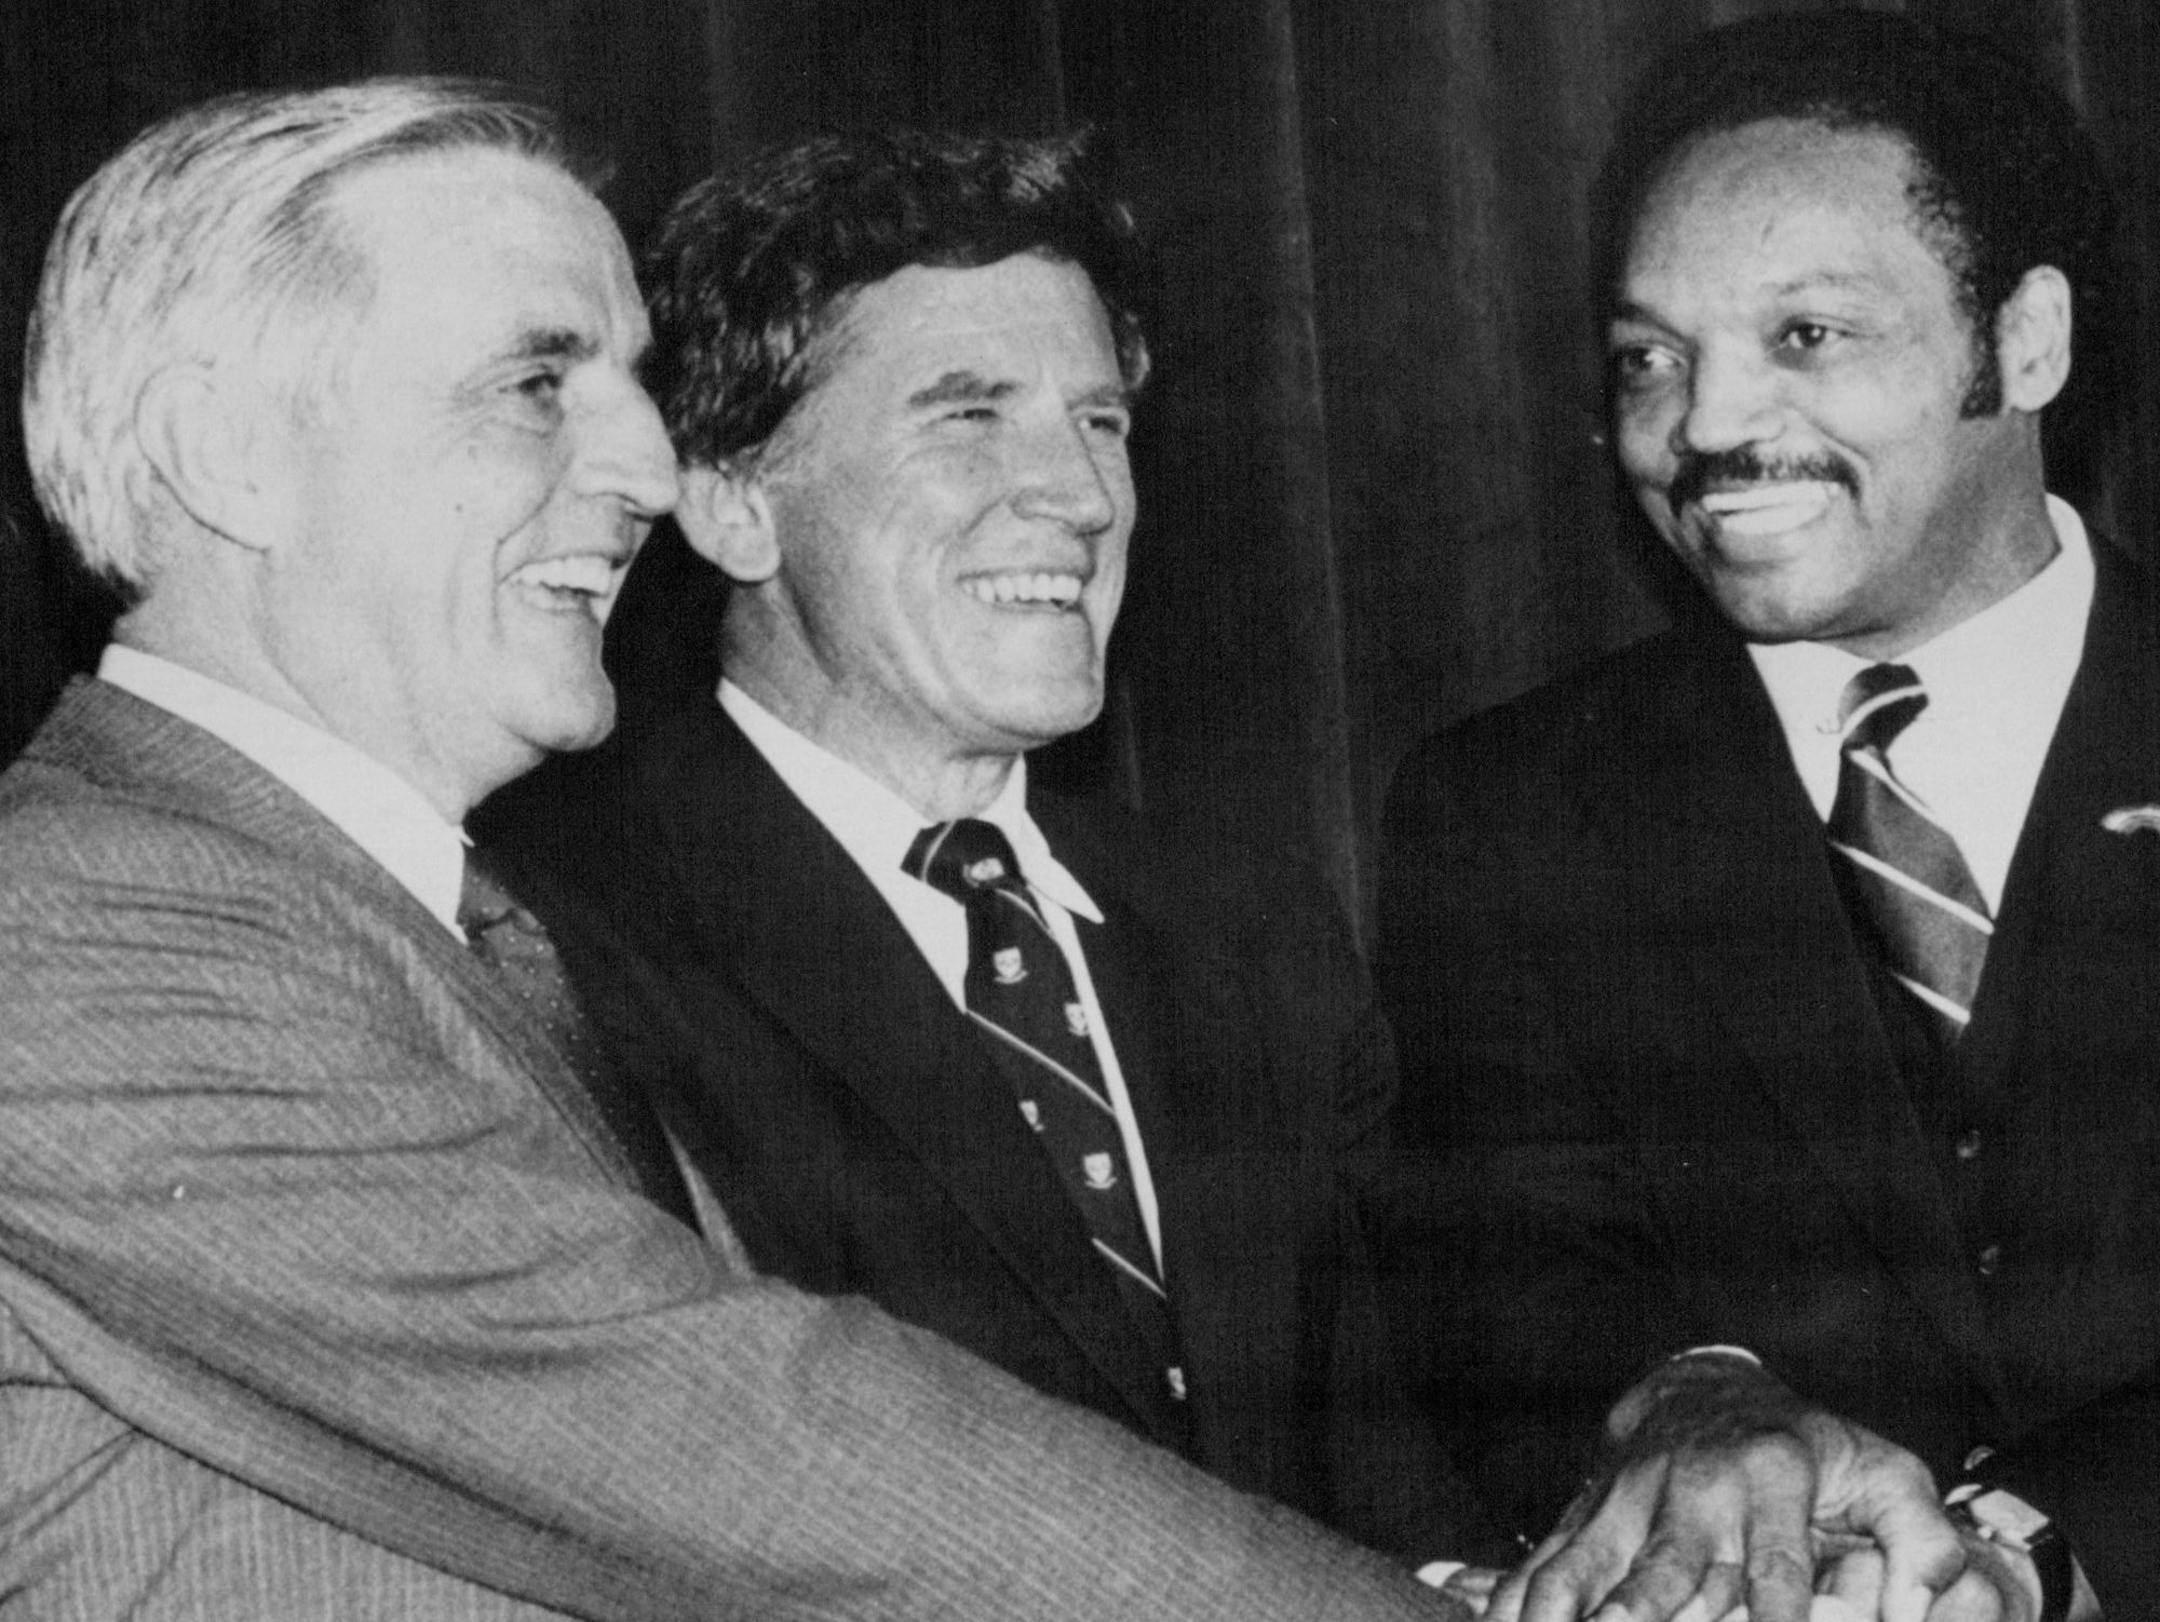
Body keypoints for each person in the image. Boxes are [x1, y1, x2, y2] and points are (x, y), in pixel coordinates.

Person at [0, 77, 1494, 1619]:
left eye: (632, 385)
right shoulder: (70, 931)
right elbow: (767, 1440)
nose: (648, 468)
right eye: (537, 384)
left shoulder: (418, 915)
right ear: (220, 452)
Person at [478, 125, 1489, 1569]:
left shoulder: (1245, 923)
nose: (1079, 496)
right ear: (730, 500)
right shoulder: (559, 940)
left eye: (1100, 423)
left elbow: (1407, 1464)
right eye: (968, 416)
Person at [1379, 10, 2149, 1619]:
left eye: (1806, 336)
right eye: (1649, 357)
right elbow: (1501, 1287)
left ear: (2026, 343)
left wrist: (2035, 1550)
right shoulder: (1506, 811)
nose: (1706, 429)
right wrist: (1688, 1394)